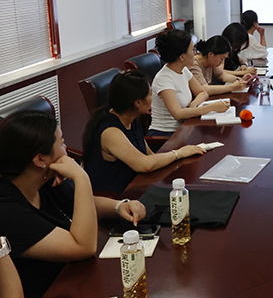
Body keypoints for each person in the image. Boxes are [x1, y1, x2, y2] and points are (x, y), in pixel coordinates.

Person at [0, 110, 146, 298]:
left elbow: (82, 205)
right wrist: (81, 177)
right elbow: (83, 247)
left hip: (75, 280)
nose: (66, 149)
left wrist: (118, 207)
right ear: (40, 159)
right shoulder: (8, 211)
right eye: (62, 143)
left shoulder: (42, 180)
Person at [82, 70, 207, 194]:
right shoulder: (110, 132)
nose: (152, 99)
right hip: (115, 196)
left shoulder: (132, 119)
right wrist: (179, 153)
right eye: (150, 95)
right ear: (137, 102)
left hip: (137, 183)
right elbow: (144, 164)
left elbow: (149, 155)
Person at [149, 29, 229, 136]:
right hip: (166, 135)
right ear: (182, 57)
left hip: (185, 127)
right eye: (192, 50)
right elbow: (178, 114)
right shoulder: (164, 78)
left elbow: (202, 92)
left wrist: (194, 104)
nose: (195, 53)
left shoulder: (183, 70)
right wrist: (211, 107)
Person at [190, 36, 254, 95]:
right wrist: (232, 87)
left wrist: (241, 80)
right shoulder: (194, 64)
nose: (221, 63)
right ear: (210, 54)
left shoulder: (210, 63)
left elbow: (223, 76)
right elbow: (205, 89)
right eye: (221, 58)